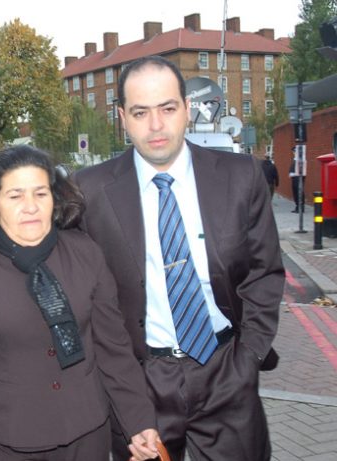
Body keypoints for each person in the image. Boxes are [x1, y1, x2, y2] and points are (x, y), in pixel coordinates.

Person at [75, 56, 285, 461]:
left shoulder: (241, 177)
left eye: (167, 108)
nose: (155, 125)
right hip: (140, 381)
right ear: (122, 117)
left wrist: (248, 360)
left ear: (187, 109)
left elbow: (265, 273)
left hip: (226, 369)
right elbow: (53, 259)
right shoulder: (89, 190)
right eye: (140, 112)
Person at [0, 145, 160, 461]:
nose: (30, 207)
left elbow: (114, 348)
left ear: (55, 199)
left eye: (40, 194)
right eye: (15, 196)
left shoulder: (86, 253)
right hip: (2, 442)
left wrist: (138, 420)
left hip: (86, 437)